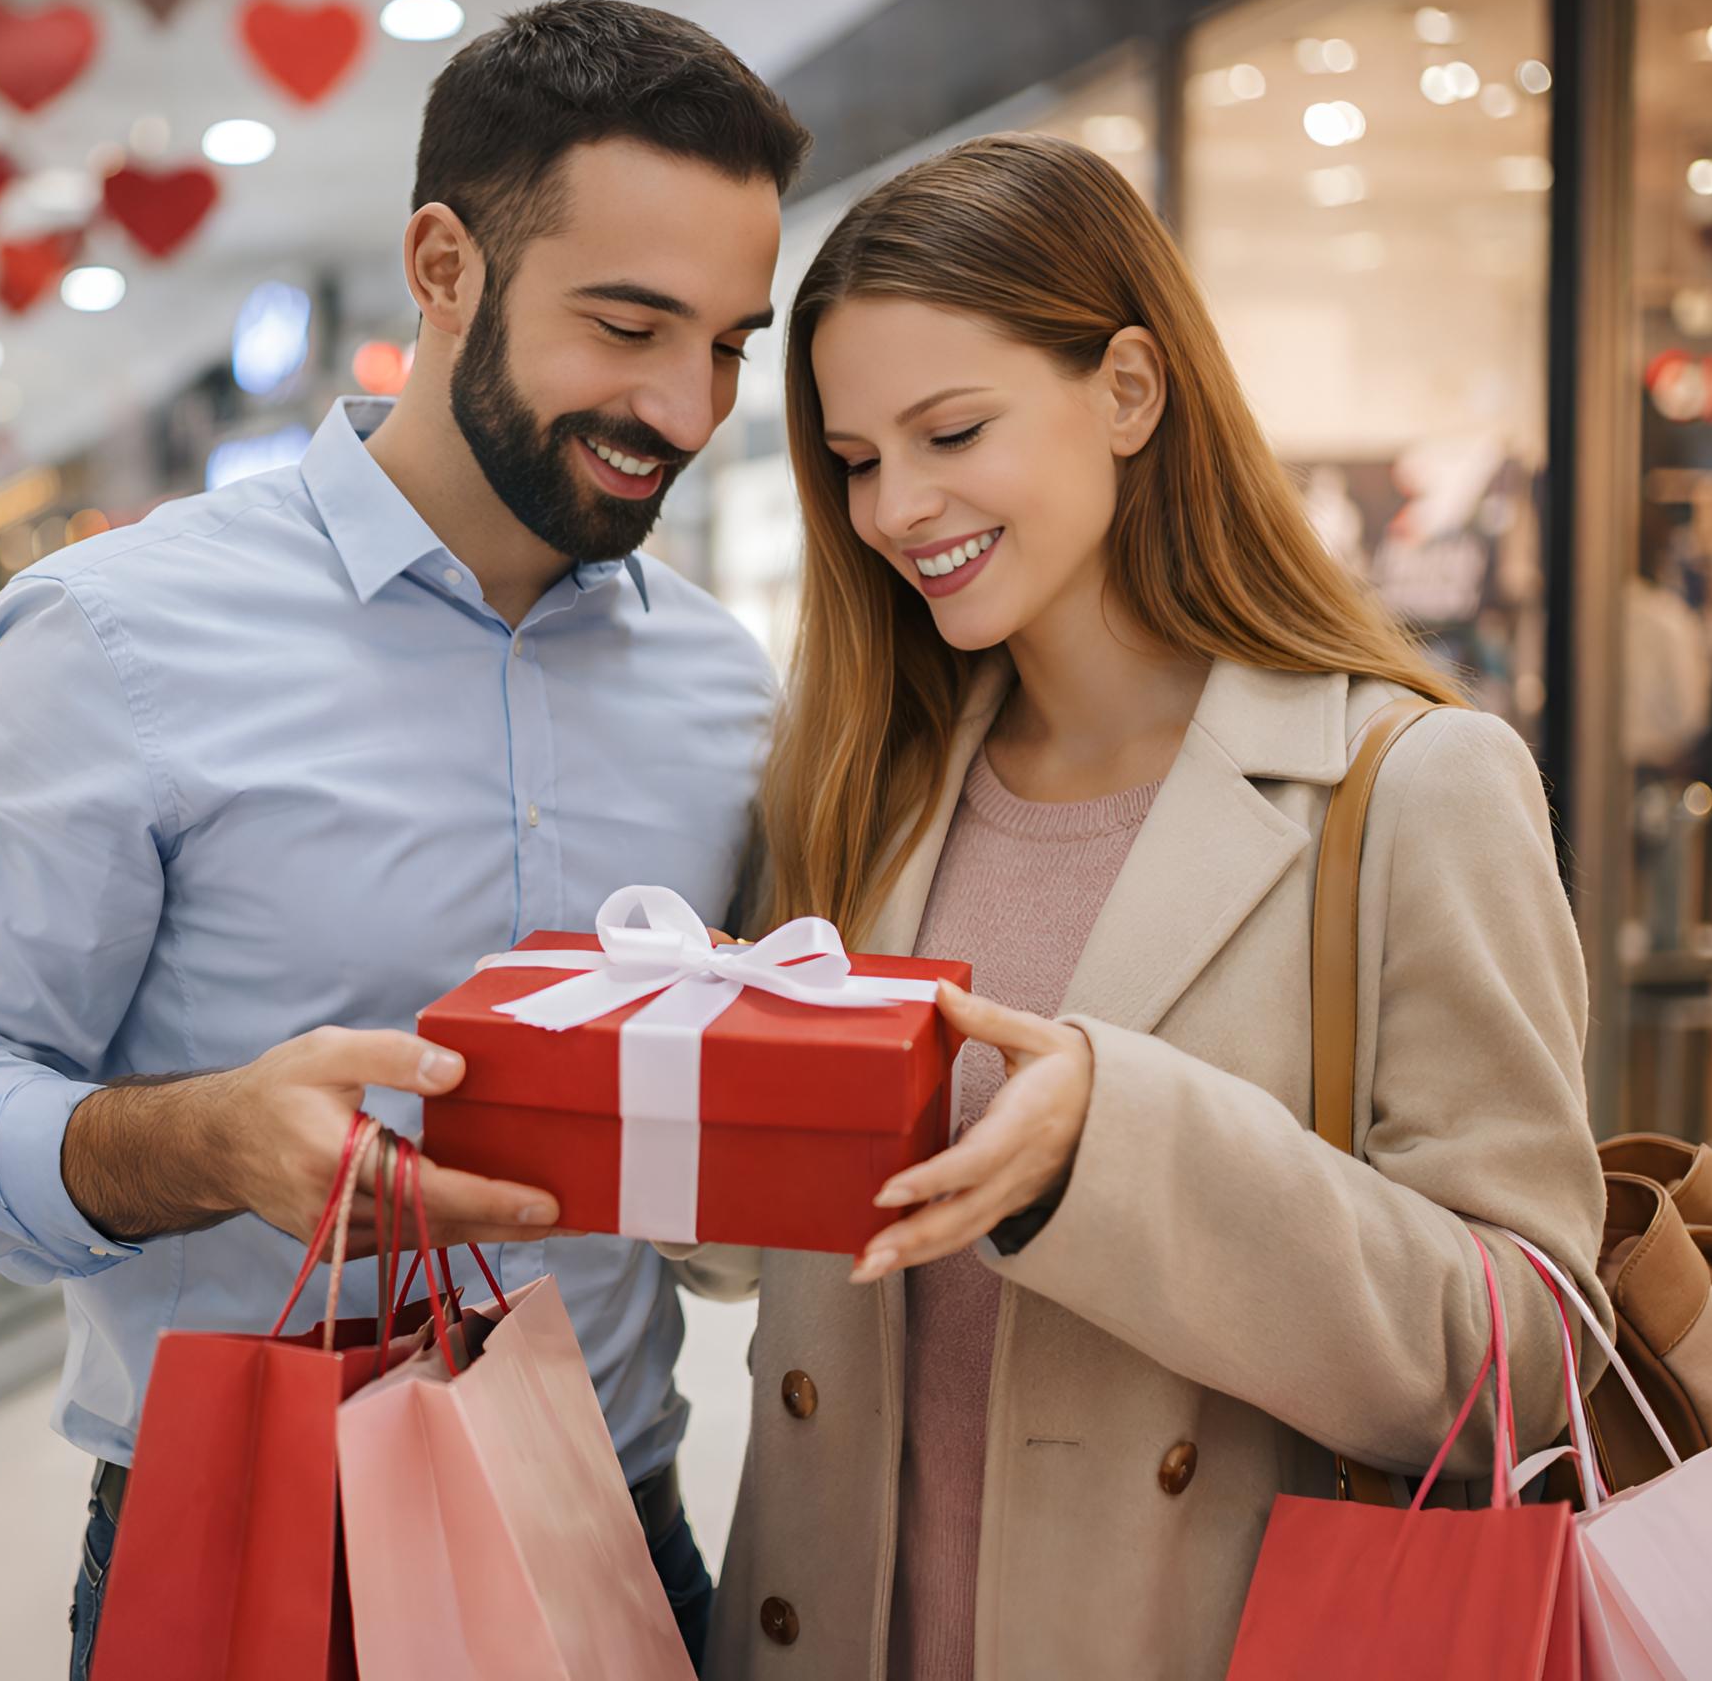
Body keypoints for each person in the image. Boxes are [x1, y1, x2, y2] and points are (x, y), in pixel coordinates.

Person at [0, 0, 808, 1677]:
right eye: (630, 323)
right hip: (252, 1541)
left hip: (621, 1527)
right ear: (444, 269)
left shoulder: (724, 683)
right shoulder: (117, 632)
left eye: (730, 341)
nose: (686, 402)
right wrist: (206, 1141)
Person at [666, 133, 1612, 1679]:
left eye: (951, 429)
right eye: (853, 460)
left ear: (1127, 388)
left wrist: (1122, 1146)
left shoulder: (1412, 784)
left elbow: (1525, 1349)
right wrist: (696, 1096)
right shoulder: (859, 782)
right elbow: (740, 1271)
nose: (896, 507)